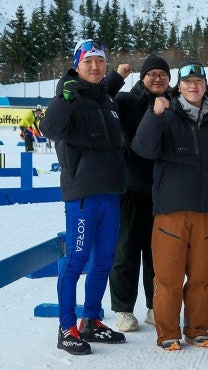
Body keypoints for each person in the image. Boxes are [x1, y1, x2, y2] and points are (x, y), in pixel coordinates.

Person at [132, 62, 208, 351]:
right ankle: (168, 332)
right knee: (168, 277)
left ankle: (197, 329)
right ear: (179, 86)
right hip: (171, 211)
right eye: (188, 81)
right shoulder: (165, 114)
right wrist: (154, 115)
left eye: (198, 81)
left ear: (206, 85)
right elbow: (143, 149)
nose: (193, 86)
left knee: (203, 276)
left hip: (207, 213)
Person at [40, 39, 127, 355]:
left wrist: (117, 78)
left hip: (111, 191)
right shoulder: (68, 96)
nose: (94, 66)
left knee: (104, 260)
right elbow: (49, 128)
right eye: (88, 61)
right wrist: (63, 99)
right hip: (83, 194)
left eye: (100, 61)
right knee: (77, 261)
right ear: (77, 65)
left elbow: (101, 97)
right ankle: (67, 328)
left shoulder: (106, 99)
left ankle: (91, 320)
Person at [104, 54, 170, 333]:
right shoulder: (125, 100)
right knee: (125, 251)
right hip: (129, 187)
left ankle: (156, 306)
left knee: (159, 254)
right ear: (142, 78)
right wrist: (116, 77)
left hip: (161, 191)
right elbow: (99, 97)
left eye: (163, 75)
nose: (157, 79)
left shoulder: (172, 103)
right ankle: (123, 309)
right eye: (152, 74)